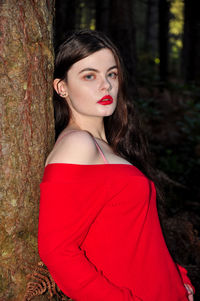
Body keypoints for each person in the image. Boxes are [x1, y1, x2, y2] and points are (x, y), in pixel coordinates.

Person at [38, 29, 194, 301]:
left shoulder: (109, 145)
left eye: (111, 74)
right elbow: (56, 250)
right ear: (61, 87)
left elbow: (138, 236)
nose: (106, 85)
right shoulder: (77, 146)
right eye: (90, 76)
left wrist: (178, 277)